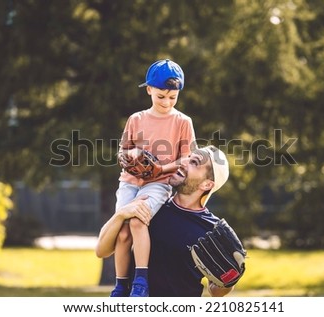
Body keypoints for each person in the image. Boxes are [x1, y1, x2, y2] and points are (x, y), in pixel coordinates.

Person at [96, 145, 234, 297]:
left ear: (207, 184)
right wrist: (121, 214)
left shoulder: (212, 230)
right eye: (188, 157)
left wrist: (229, 282)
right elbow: (102, 250)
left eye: (194, 162)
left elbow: (216, 291)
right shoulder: (151, 206)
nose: (183, 162)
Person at [111, 59, 197, 297]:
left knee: (138, 220)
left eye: (173, 97)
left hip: (159, 184)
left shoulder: (183, 122)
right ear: (149, 89)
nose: (167, 102)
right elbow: (123, 150)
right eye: (161, 96)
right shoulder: (136, 119)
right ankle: (120, 284)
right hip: (129, 182)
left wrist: (160, 170)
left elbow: (188, 159)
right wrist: (128, 158)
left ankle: (141, 282)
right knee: (123, 231)